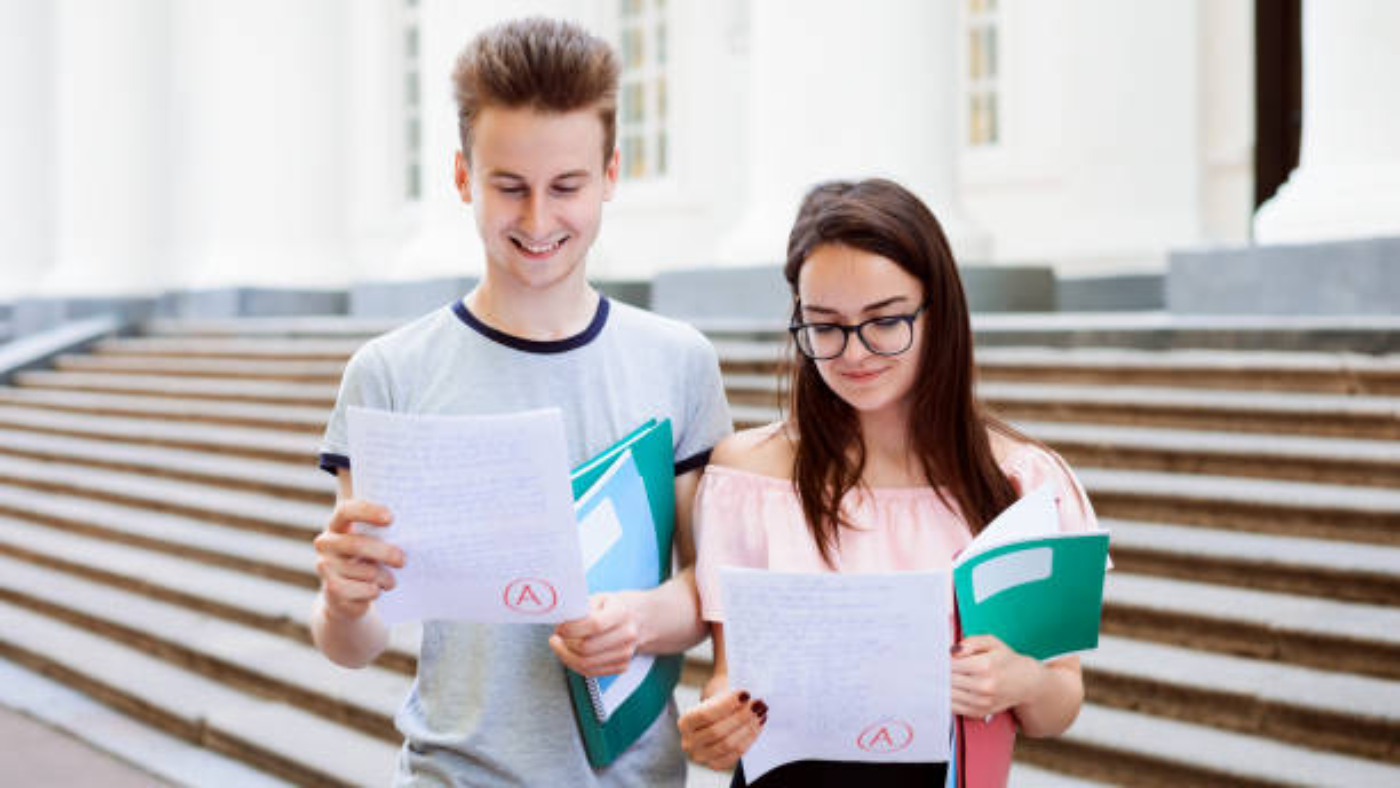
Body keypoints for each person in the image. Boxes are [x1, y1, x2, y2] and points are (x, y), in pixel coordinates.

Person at [309, 18, 732, 787]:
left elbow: (712, 590)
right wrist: (343, 599)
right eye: (510, 188)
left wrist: (637, 621)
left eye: (566, 186)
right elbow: (354, 644)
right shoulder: (391, 373)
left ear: (610, 174)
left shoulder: (678, 362)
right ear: (464, 178)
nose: (538, 221)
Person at [677, 179, 1099, 787]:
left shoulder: (1024, 482)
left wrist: (1021, 680)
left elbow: (1059, 702)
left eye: (885, 321)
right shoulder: (748, 474)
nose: (855, 353)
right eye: (825, 326)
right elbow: (728, 673)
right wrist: (718, 722)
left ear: (939, 311)